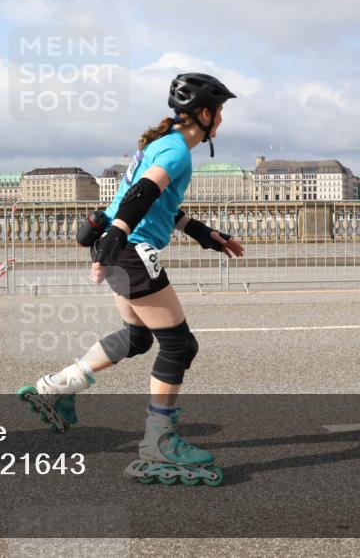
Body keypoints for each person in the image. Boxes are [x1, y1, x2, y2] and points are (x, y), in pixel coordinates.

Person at [18, 73, 245, 485]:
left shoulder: (159, 145)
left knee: (138, 337)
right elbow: (141, 193)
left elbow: (160, 204)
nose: (223, 121)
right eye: (222, 112)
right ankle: (160, 438)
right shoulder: (176, 150)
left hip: (121, 247)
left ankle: (58, 386)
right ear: (206, 114)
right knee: (179, 345)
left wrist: (203, 233)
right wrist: (120, 233)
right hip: (131, 251)